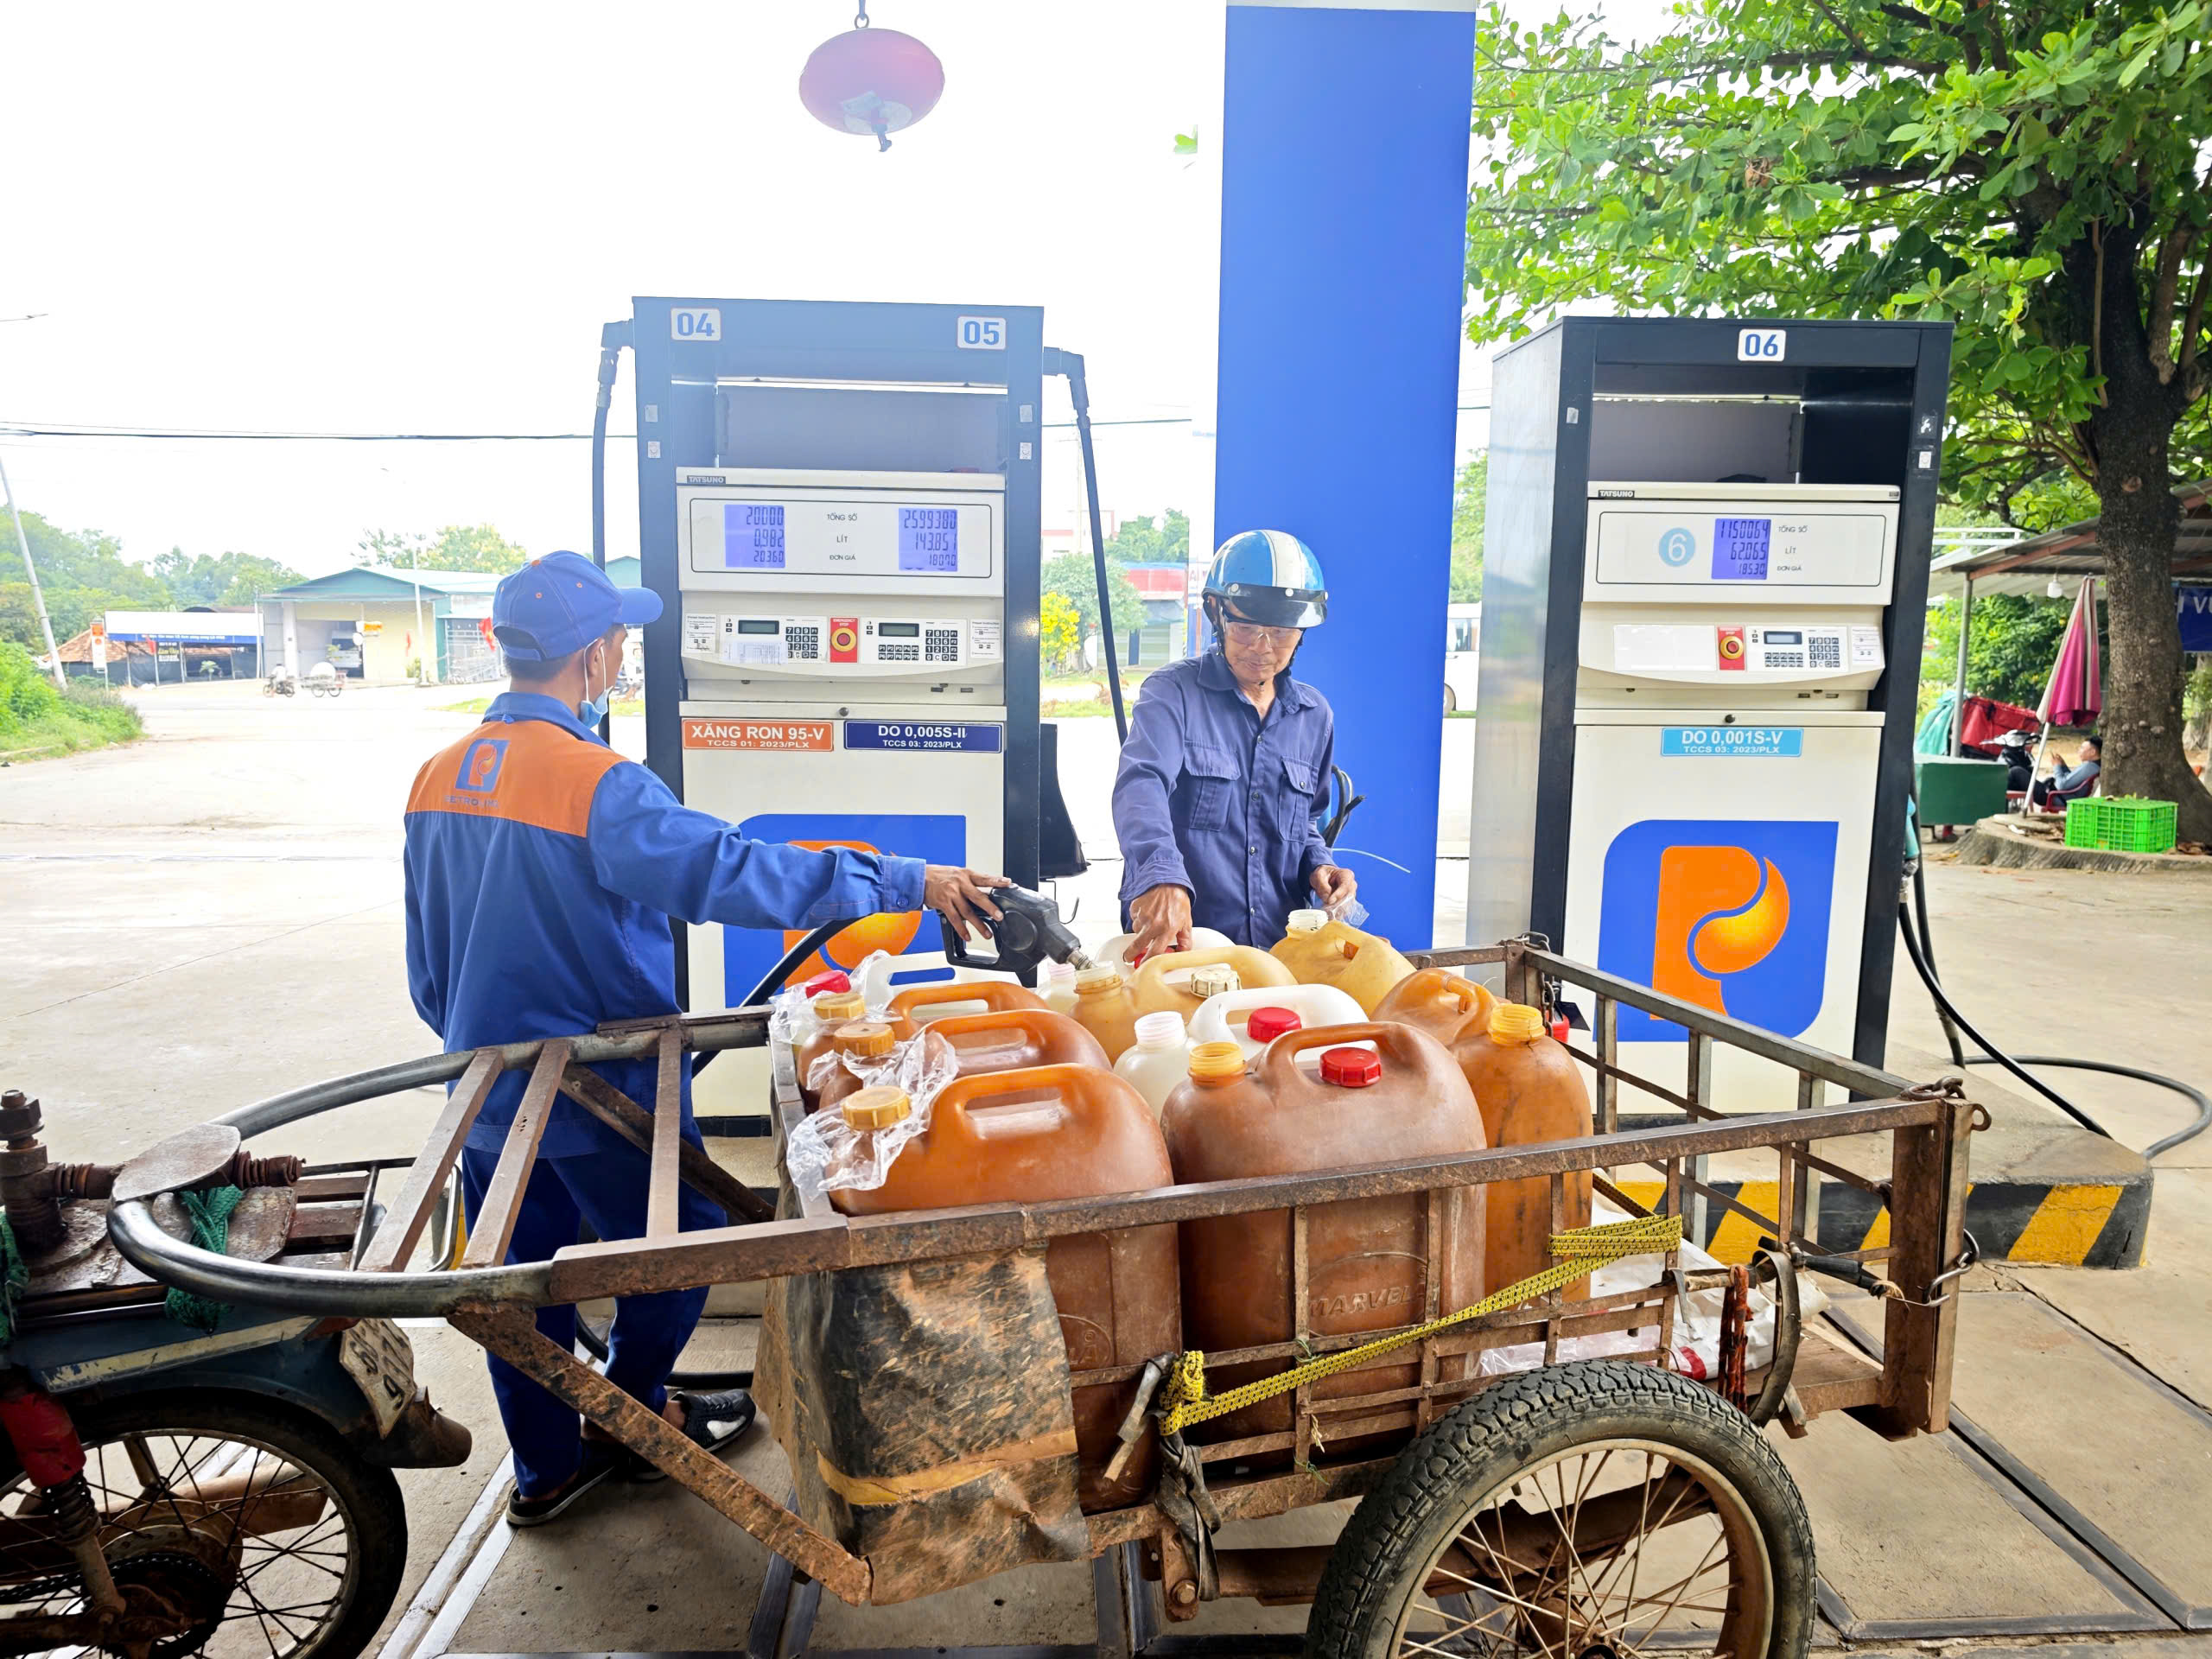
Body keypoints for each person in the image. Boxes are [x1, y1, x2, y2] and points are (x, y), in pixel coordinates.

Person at [404, 551, 1009, 1527]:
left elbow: (427, 966)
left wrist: (478, 1042)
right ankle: (632, 1413)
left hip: (484, 1090)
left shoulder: (436, 778)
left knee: (522, 1291)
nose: (620, 660)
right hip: (598, 1088)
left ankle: (546, 1471)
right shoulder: (595, 782)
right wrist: (903, 881)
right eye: (618, 645)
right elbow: (736, 875)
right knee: (688, 1251)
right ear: (593, 656)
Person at [1110, 530, 1356, 957]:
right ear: (1216, 612)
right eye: (1246, 627)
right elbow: (1141, 786)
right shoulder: (1172, 694)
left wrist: (1320, 864)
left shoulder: (1314, 715)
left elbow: (1307, 822)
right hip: (1183, 945)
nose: (1263, 648)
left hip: (1280, 950)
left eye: (1281, 632)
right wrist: (1159, 876)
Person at [2030, 734, 2101, 809]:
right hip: (2059, 795)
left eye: (2082, 748)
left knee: (2018, 772)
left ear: (2093, 752)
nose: (2079, 750)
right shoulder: (2093, 766)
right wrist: (2063, 766)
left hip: (2056, 797)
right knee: (2019, 773)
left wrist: (2056, 766)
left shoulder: (2089, 767)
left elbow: (2060, 785)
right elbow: (2071, 781)